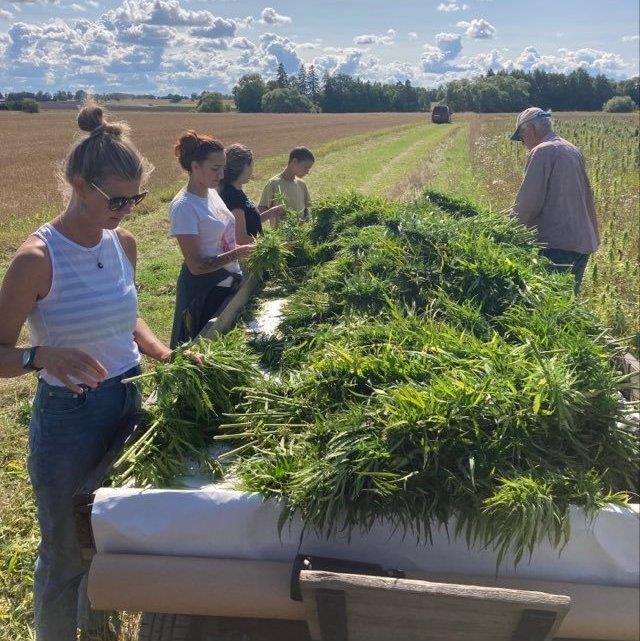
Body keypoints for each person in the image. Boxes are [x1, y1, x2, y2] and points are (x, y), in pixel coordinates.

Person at [0, 99, 171, 641]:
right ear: (79, 184)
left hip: (126, 399)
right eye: (116, 199)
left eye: (135, 198)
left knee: (109, 534)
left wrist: (164, 354)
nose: (126, 210)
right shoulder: (37, 258)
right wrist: (41, 356)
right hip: (70, 418)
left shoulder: (123, 243)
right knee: (65, 552)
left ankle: (94, 628)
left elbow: (128, 316)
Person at [170, 130, 254, 348]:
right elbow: (196, 266)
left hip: (227, 283)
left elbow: (223, 240)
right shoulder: (184, 207)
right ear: (195, 166)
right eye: (215, 169)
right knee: (197, 349)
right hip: (205, 292)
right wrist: (239, 252)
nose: (221, 175)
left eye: (223, 168)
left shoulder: (212, 194)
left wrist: (244, 253)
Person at [510, 107, 599, 294]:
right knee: (568, 303)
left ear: (530, 129)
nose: (523, 143)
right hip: (582, 242)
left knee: (550, 304)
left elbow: (528, 204)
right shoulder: (571, 149)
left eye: (521, 137)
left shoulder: (542, 152)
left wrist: (506, 231)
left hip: (557, 245)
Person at [218, 143, 285, 245]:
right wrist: (271, 244)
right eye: (251, 166)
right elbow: (240, 238)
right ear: (243, 167)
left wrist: (270, 213)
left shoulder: (236, 191)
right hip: (248, 253)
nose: (252, 171)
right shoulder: (232, 196)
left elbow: (249, 223)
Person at [258, 146, 314, 220]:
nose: (307, 172)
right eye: (306, 167)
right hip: (282, 227)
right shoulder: (273, 183)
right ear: (294, 162)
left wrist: (306, 218)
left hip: (301, 227)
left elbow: (306, 208)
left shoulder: (302, 184)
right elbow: (262, 210)